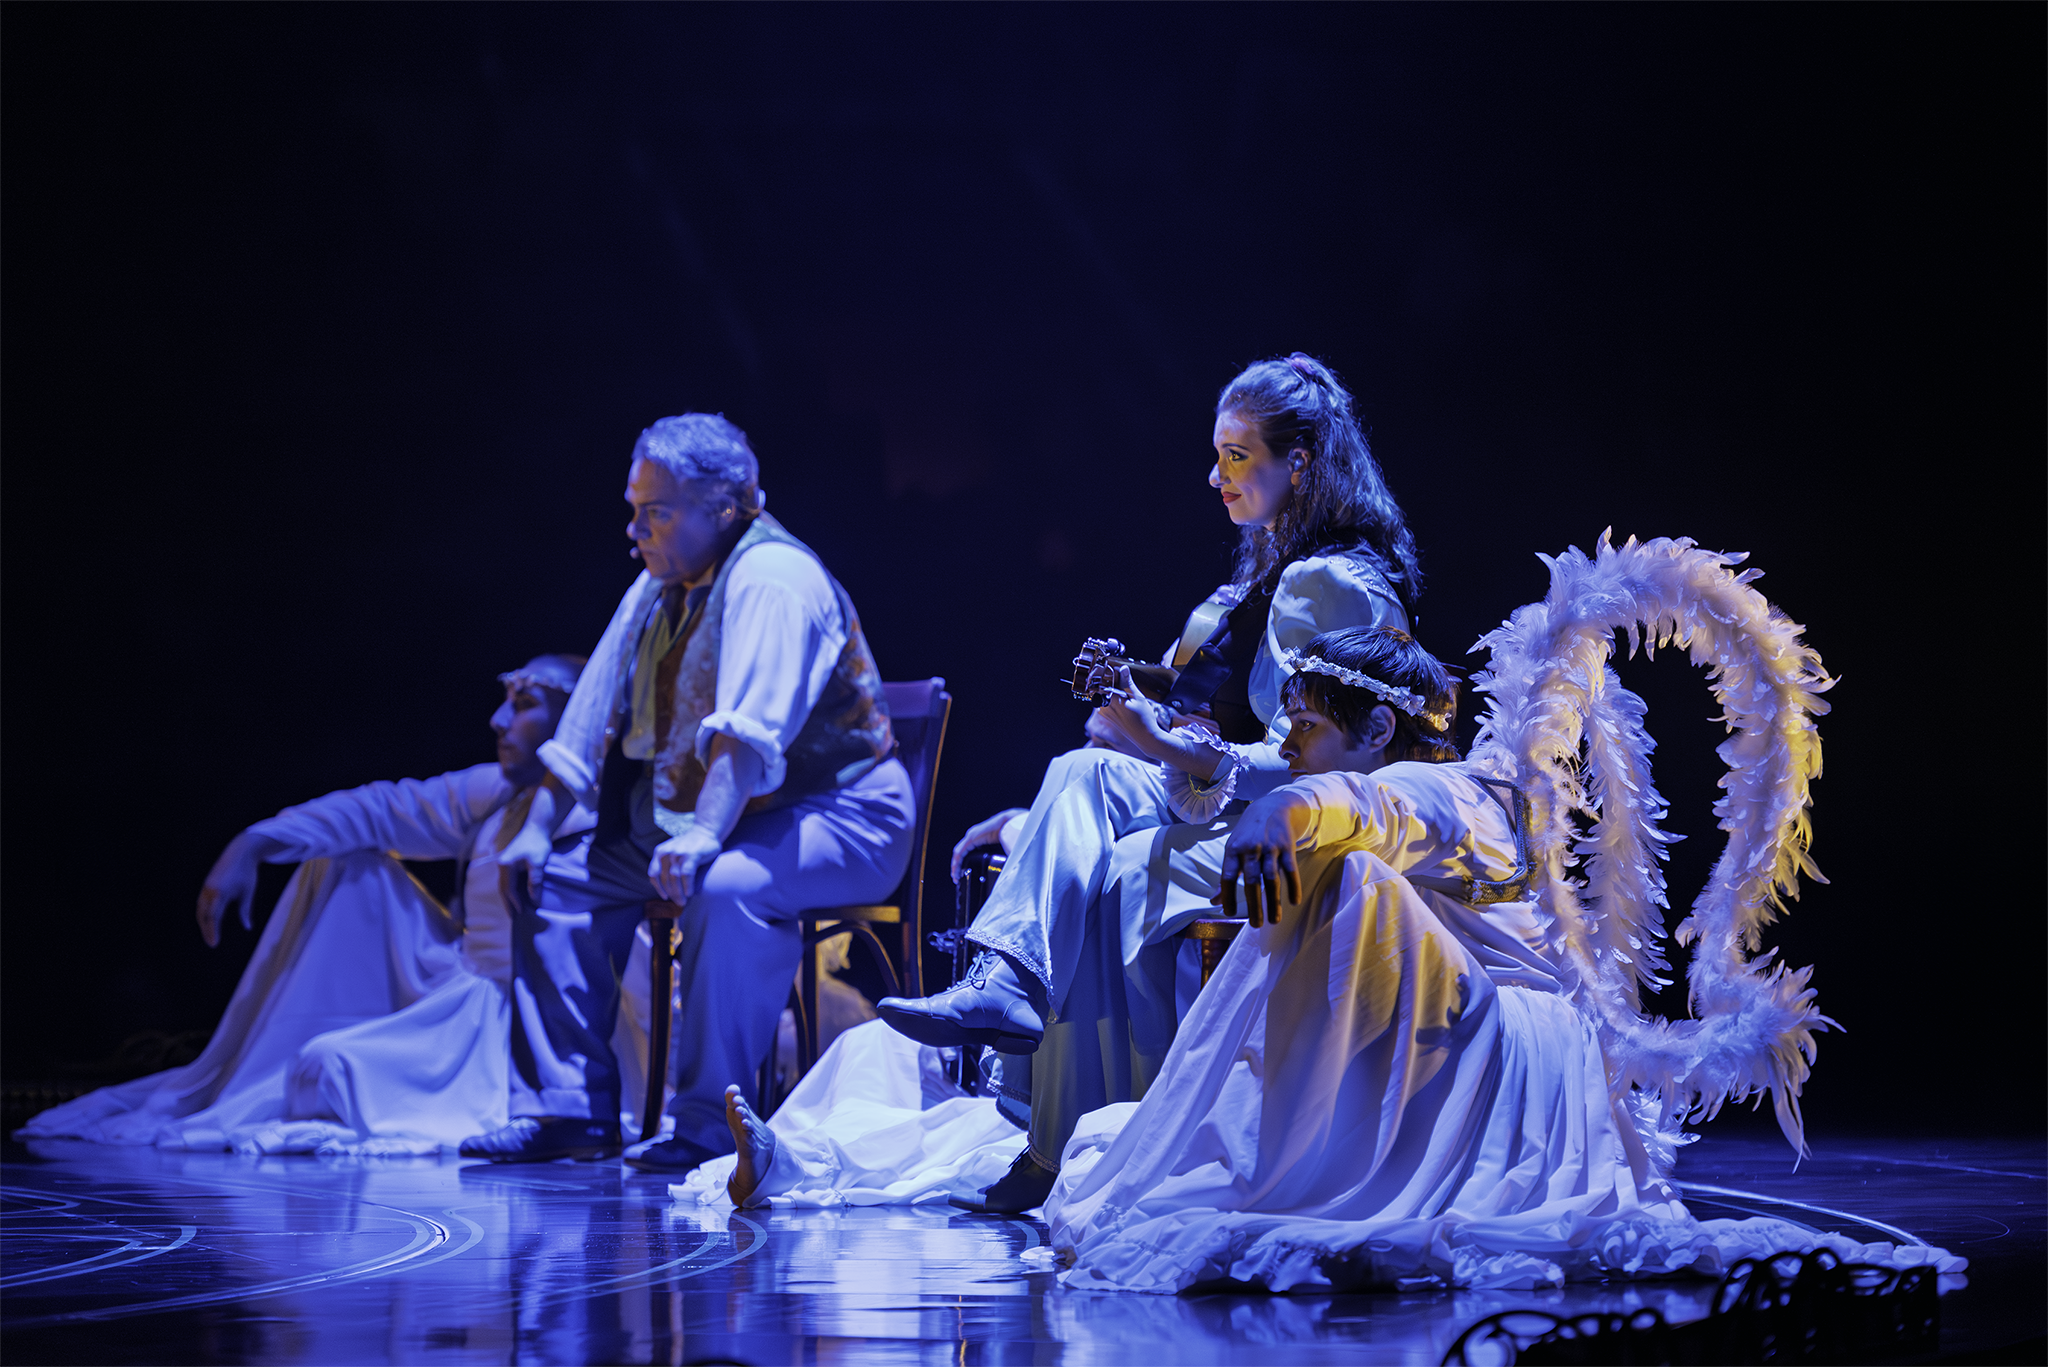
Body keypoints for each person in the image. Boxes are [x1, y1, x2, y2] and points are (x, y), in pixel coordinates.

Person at [1040, 626, 1959, 1291]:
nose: (1288, 744)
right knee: (1335, 871)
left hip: (1514, 1057)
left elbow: (1381, 807)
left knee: (1349, 874)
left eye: (1306, 723)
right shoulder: (1415, 781)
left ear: (1376, 729)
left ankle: (1302, 1163)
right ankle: (1291, 1145)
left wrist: (1289, 808)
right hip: (1461, 1029)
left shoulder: (1452, 788)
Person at [877, 353, 1421, 1211]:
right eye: (1218, 454)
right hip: (1221, 793)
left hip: (1307, 816)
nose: (1215, 475)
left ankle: (1084, 1140)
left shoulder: (1331, 582)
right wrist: (1135, 732)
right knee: (1078, 773)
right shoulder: (1269, 571)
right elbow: (1200, 720)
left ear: (1300, 463)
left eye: (1237, 455)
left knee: (1124, 869)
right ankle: (1015, 1001)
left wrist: (1165, 744)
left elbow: (1312, 754)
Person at [460, 413, 915, 1169]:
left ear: (724, 508)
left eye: (657, 512)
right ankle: (567, 1109)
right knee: (555, 878)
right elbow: (588, 716)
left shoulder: (774, 579)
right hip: (727, 814)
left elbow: (748, 734)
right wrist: (537, 825)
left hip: (843, 814)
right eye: (635, 509)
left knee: (727, 886)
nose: (636, 530)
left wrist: (703, 836)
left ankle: (711, 1124)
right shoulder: (657, 586)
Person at [17, 656, 597, 1154]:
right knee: (345, 860)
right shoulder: (500, 792)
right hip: (460, 992)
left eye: (524, 705)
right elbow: (382, 809)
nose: (498, 721)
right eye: (507, 703)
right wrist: (255, 842)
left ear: (574, 719)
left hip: (531, 1023)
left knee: (329, 1068)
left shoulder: (603, 815)